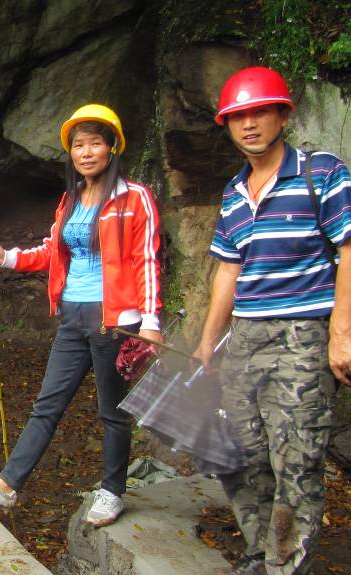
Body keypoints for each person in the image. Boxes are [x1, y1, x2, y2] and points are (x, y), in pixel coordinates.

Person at [0, 104, 162, 525]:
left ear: (112, 147)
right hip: (72, 315)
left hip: (114, 320)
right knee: (46, 405)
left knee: (112, 411)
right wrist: (8, 257)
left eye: (95, 143)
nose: (86, 152)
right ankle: (7, 487)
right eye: (78, 145)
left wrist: (150, 321)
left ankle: (112, 491)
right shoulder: (71, 199)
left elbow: (147, 259)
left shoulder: (133, 197)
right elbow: (53, 251)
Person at [193, 67, 351, 575]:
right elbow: (228, 270)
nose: (249, 124)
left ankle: (286, 565)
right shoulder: (234, 192)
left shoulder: (321, 172)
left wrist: (341, 334)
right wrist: (208, 342)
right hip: (245, 338)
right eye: (238, 116)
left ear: (283, 115)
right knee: (238, 452)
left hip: (302, 335)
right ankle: (260, 553)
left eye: (260, 111)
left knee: (297, 460)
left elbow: (349, 250)